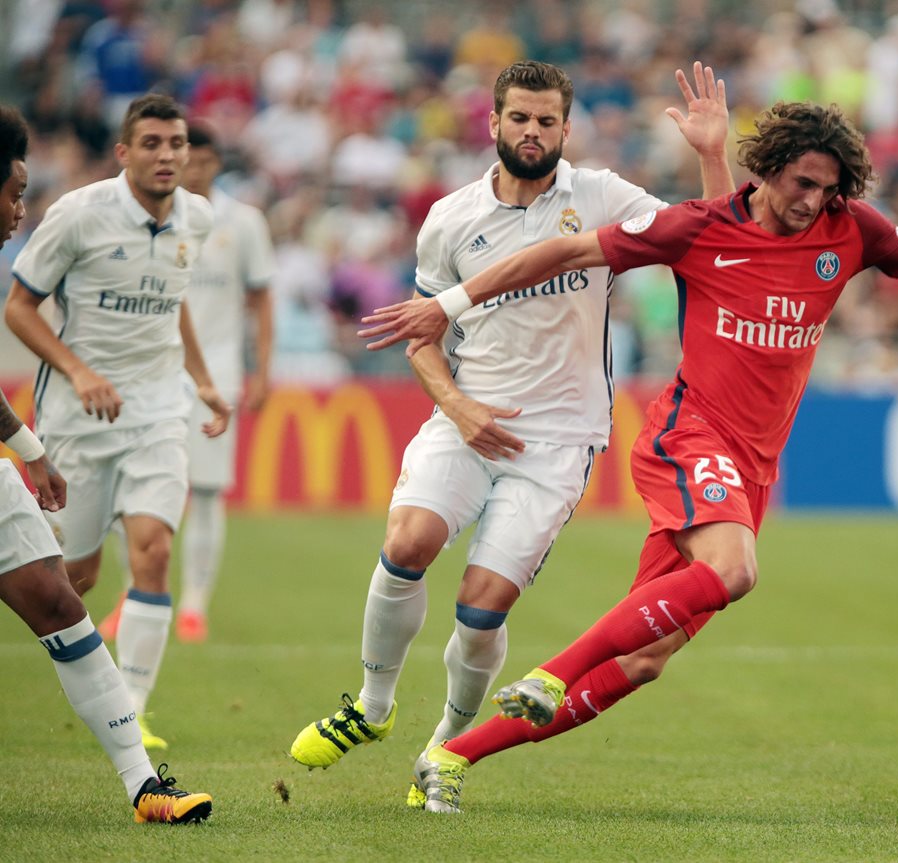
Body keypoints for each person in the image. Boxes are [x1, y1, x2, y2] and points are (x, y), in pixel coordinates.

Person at [362, 100, 898, 813]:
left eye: (827, 189)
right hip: (688, 437)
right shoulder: (699, 228)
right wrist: (451, 304)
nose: (814, 201)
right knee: (734, 569)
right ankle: (552, 675)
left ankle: (450, 755)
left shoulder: (851, 229)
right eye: (802, 182)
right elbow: (563, 251)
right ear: (767, 169)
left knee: (645, 659)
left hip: (751, 470)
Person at [287, 59, 734, 809]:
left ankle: (441, 750)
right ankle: (371, 705)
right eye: (519, 118)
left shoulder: (602, 196)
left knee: (482, 604)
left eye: (547, 120)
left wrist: (712, 154)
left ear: (567, 128)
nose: (533, 131)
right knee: (407, 542)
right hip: (466, 419)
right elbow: (424, 334)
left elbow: (716, 238)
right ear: (493, 123)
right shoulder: (451, 218)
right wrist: (458, 407)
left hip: (559, 441)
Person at [0, 102, 211, 824]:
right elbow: (21, 307)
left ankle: (140, 753)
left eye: (176, 142)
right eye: (151, 142)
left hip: (156, 411)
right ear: (123, 151)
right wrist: (77, 375)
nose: (166, 154)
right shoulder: (77, 216)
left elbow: (175, 301)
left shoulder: (198, 221)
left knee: (140, 556)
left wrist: (203, 377)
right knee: (74, 580)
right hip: (78, 422)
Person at [96, 122, 275, 644]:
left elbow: (261, 299)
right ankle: (133, 594)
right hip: (147, 369)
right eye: (184, 154)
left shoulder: (243, 222)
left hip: (216, 372)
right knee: (129, 488)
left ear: (216, 162)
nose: (192, 165)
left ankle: (194, 605)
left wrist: (262, 371)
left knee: (205, 491)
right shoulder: (148, 215)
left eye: (201, 157)